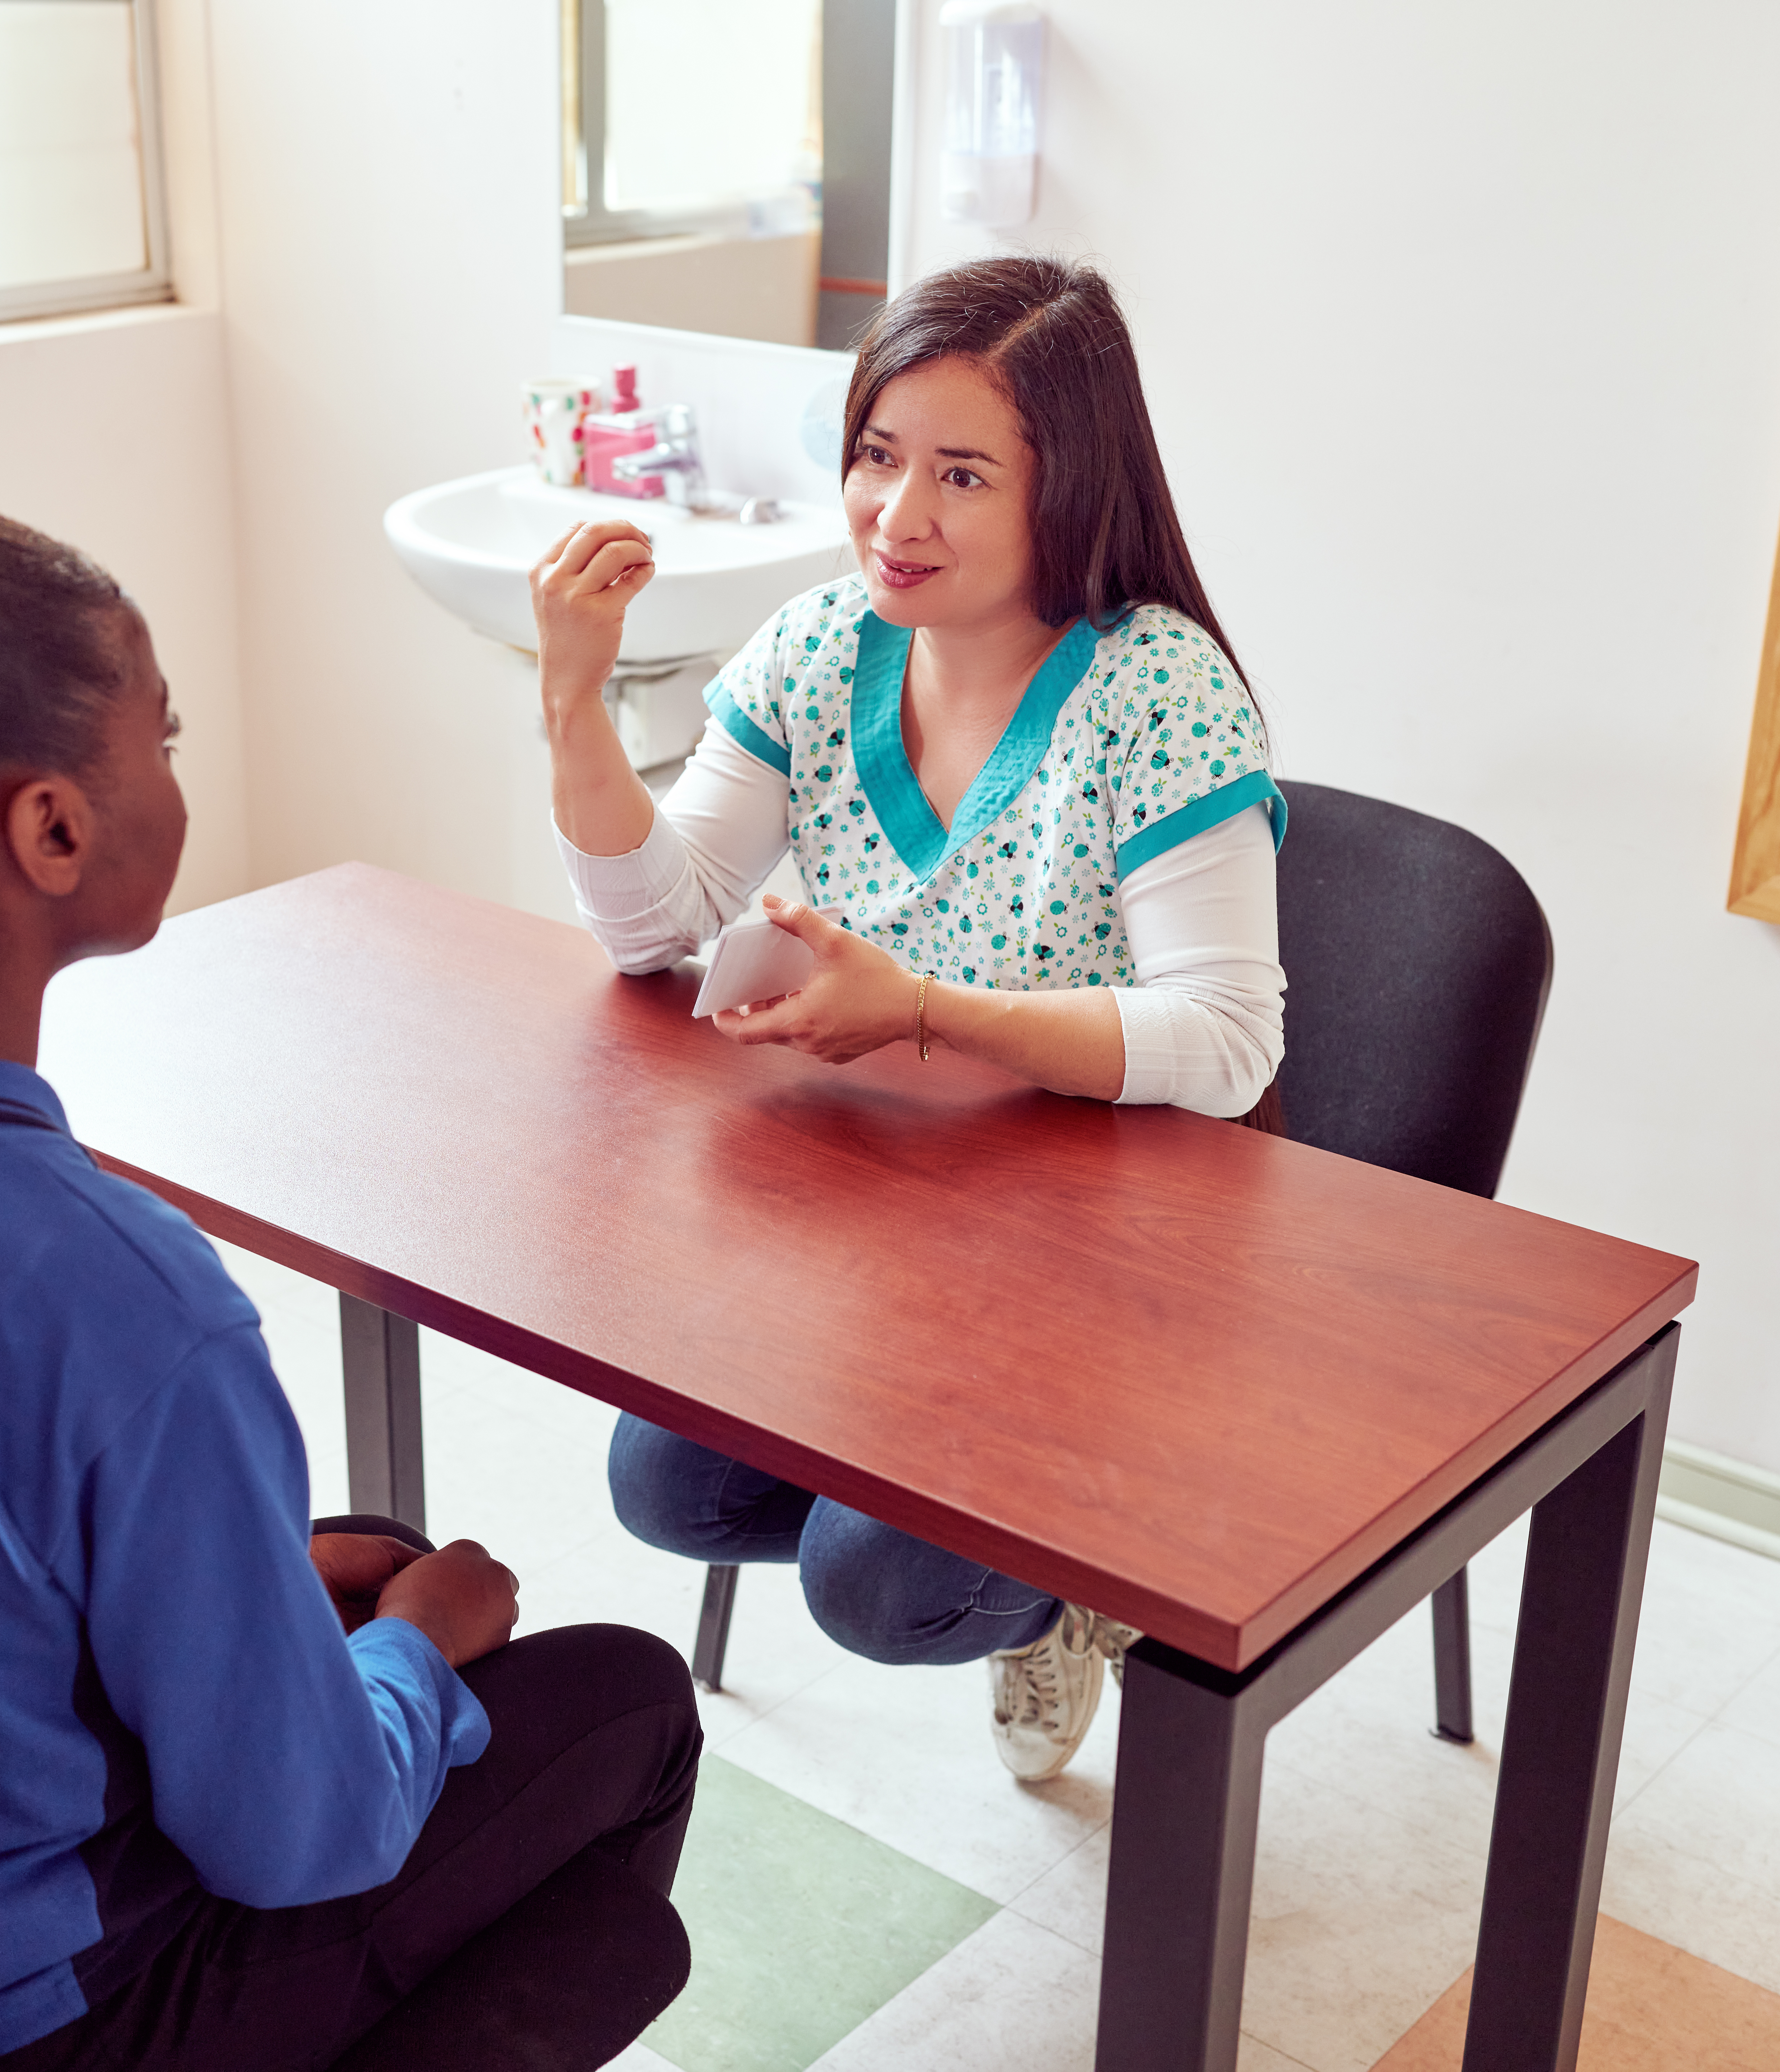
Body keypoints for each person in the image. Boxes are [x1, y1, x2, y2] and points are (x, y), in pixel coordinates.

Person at [0, 368, 700, 2072]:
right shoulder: (118, 1298)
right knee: (614, 1696)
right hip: (21, 2025)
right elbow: (304, 1841)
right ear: (50, 826)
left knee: (346, 1543)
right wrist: (408, 1659)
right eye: (161, 739)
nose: (175, 769)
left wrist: (308, 1596)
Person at [527, 256, 1286, 1784]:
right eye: (877, 456)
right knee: (663, 1490)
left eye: (961, 475)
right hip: (894, 1231)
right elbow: (656, 931)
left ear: (1069, 490)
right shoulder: (818, 650)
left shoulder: (1160, 688)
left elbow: (1228, 1043)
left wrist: (926, 1015)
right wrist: (572, 703)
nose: (898, 515)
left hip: (1097, 1256)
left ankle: (1070, 1586)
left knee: (876, 1587)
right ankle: (943, 1478)